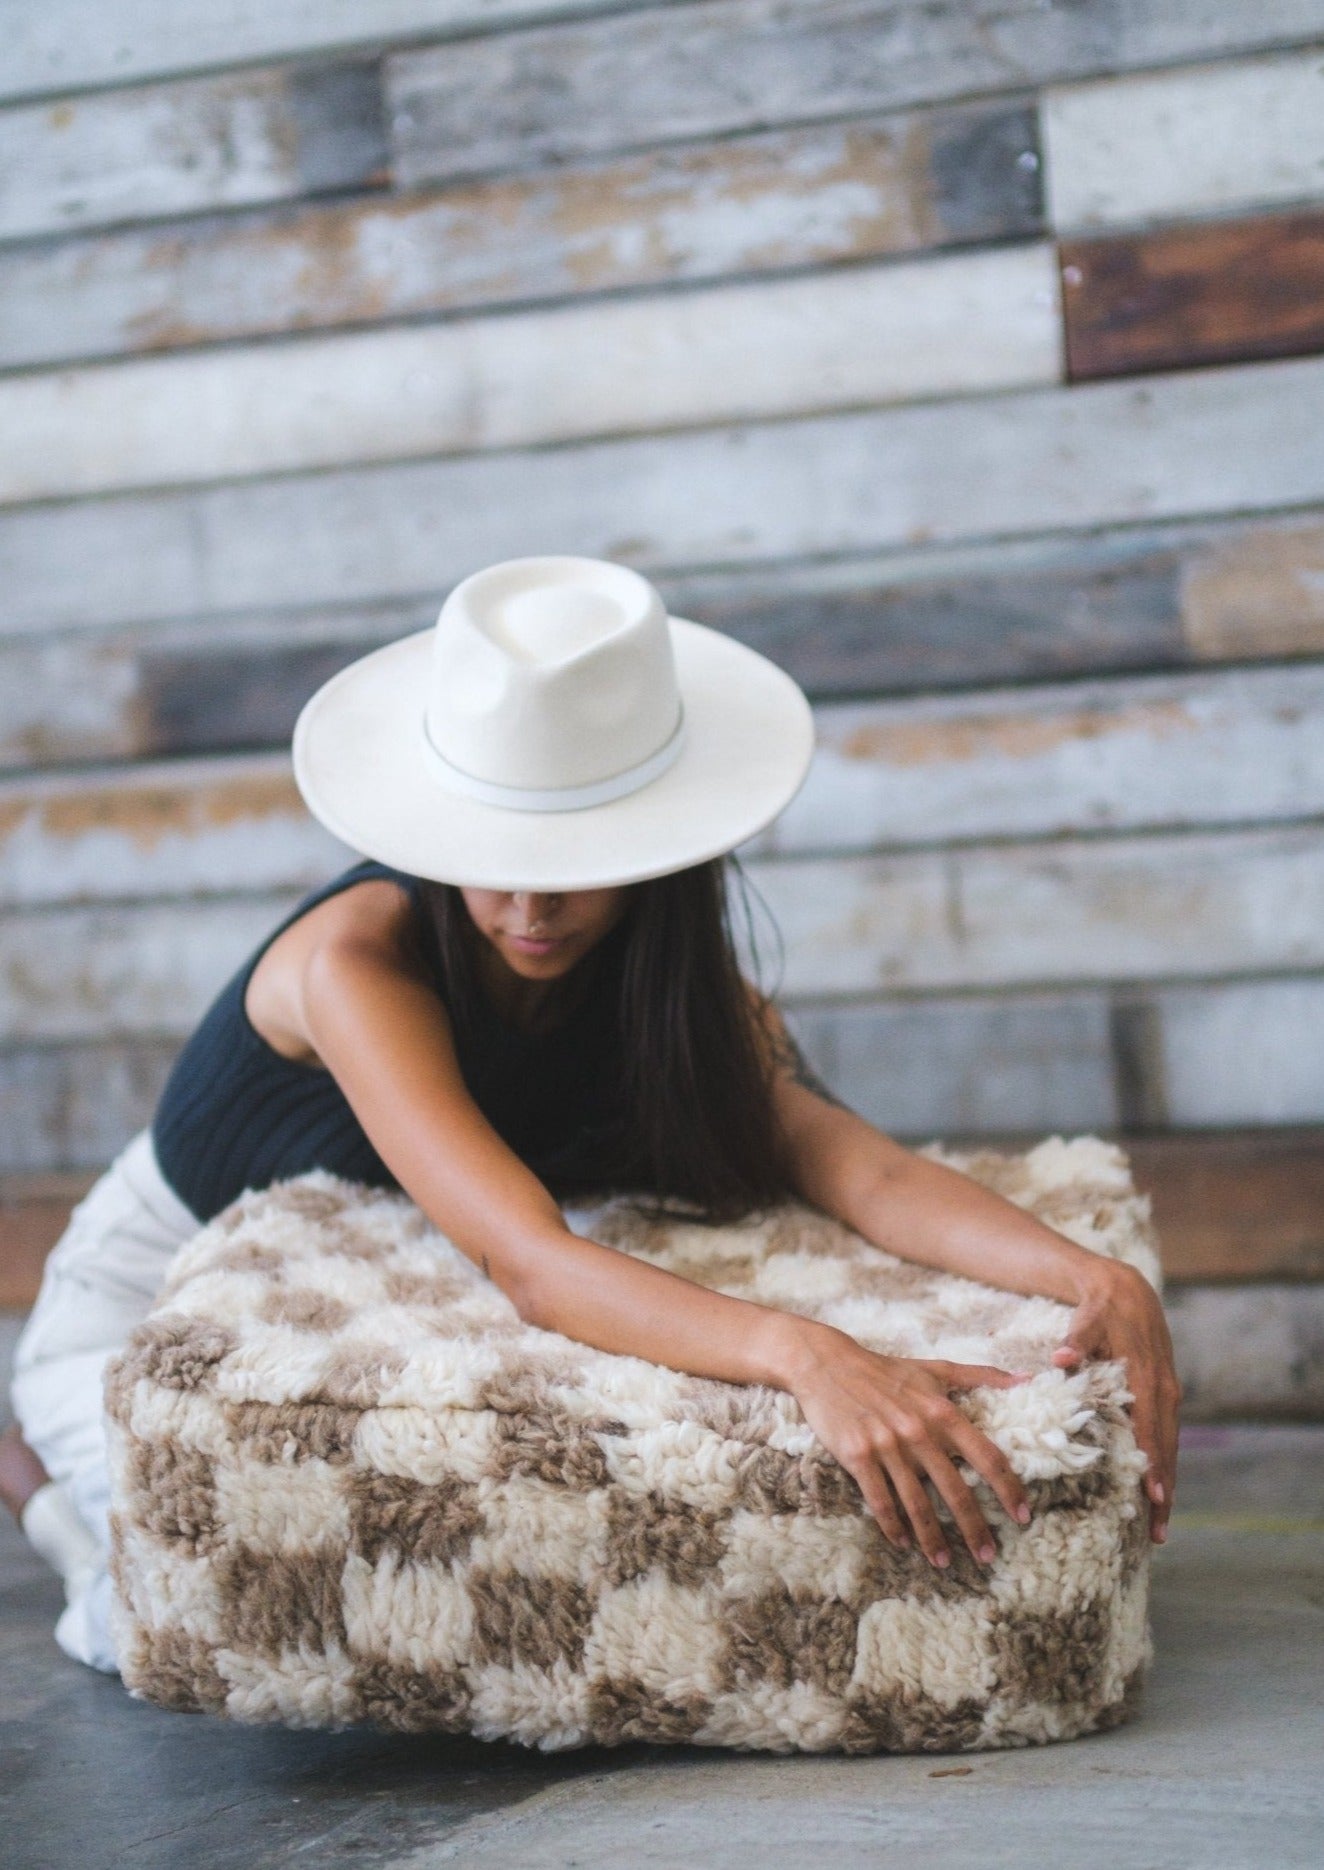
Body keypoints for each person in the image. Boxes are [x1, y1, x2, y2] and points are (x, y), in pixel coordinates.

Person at [2, 556, 1180, 1676]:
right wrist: (805, 1352)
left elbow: (862, 1172)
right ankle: (43, 1489)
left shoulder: (672, 984)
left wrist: (1092, 1276)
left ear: (654, 849)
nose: (528, 904)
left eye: (574, 856)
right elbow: (532, 1263)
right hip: (151, 1317)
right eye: (490, 853)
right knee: (204, 1622)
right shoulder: (354, 963)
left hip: (384, 1307)